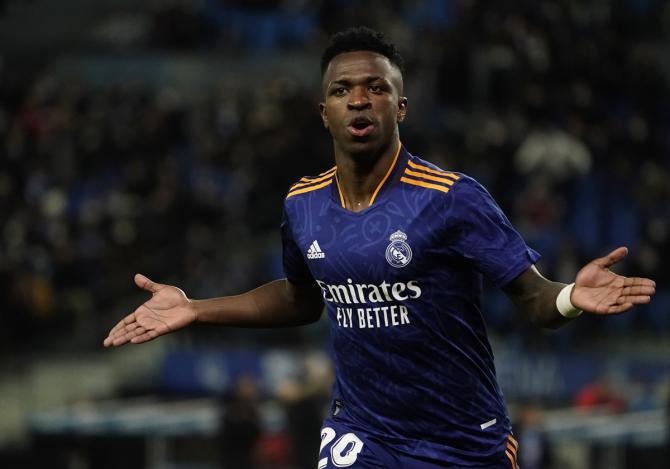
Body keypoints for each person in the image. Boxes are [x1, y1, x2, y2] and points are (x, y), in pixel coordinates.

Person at [104, 27, 656, 469]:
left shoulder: (452, 199)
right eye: (342, 90)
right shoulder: (302, 203)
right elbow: (302, 298)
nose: (359, 100)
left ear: (401, 107)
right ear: (324, 112)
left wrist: (568, 298)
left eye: (376, 87)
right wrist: (197, 308)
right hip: (361, 433)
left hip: (462, 442)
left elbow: (533, 297)